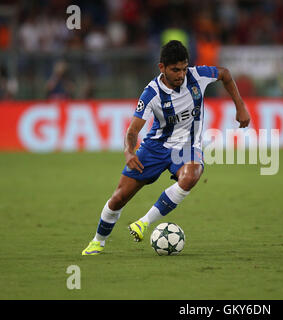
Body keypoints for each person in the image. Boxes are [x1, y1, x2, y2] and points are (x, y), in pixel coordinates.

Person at [82, 40, 250, 255]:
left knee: (192, 175)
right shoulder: (151, 93)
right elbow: (133, 131)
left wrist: (240, 106)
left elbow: (225, 73)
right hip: (155, 148)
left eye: (183, 68)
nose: (181, 74)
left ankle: (143, 222)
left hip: (188, 146)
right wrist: (128, 151)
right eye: (175, 70)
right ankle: (98, 241)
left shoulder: (197, 76)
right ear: (162, 68)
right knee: (119, 198)